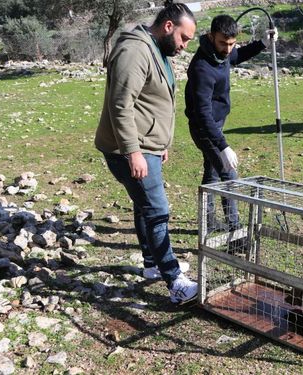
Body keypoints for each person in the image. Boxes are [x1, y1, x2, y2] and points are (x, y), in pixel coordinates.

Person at [94, 1, 198, 304]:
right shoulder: (135, 51)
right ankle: (175, 281)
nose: (184, 46)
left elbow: (153, 100)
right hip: (129, 149)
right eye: (183, 38)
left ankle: (152, 265)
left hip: (147, 147)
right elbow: (120, 104)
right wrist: (134, 152)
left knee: (144, 206)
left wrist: (160, 144)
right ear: (168, 27)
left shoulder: (156, 50)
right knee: (157, 210)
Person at [184, 15, 277, 237]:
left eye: (231, 43)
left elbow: (237, 55)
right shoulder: (202, 68)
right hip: (204, 128)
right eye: (222, 43)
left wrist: (262, 43)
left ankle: (208, 223)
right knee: (228, 173)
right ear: (210, 36)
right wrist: (223, 146)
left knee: (213, 173)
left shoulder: (221, 55)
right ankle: (235, 229)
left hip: (216, 123)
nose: (227, 49)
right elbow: (203, 114)